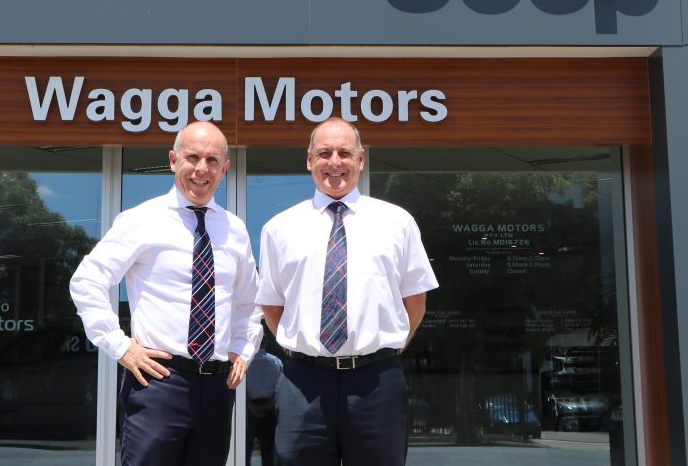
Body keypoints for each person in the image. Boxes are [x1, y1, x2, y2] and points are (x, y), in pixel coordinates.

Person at [70, 121, 262, 466]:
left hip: (217, 388)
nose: (201, 169)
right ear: (173, 160)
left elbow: (249, 301)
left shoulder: (234, 229)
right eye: (192, 157)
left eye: (212, 160)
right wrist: (120, 345)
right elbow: (87, 280)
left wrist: (241, 350)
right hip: (159, 383)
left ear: (225, 169)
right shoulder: (141, 219)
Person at [257, 118, 439, 466]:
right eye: (324, 153)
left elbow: (415, 300)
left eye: (344, 152)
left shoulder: (397, 222)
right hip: (303, 384)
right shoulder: (278, 229)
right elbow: (272, 306)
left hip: (377, 382)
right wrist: (304, 350)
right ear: (309, 160)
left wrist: (393, 345)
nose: (335, 162)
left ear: (361, 159)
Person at [245, 348, 283, 466]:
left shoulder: (244, 362)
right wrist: (270, 403)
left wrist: (249, 405)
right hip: (270, 406)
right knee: (269, 451)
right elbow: (280, 387)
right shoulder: (275, 361)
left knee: (245, 449)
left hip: (248, 407)